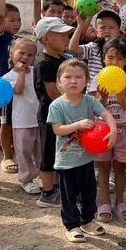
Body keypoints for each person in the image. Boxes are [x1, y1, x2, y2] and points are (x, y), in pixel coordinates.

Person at [47, 59, 117, 243]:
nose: (73, 81)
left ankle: (87, 221)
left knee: (89, 193)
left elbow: (106, 114)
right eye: (68, 77)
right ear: (59, 80)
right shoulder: (56, 105)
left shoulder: (89, 101)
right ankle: (72, 226)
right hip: (66, 162)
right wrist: (77, 125)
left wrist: (113, 130)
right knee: (69, 196)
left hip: (86, 159)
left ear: (86, 81)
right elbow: (57, 130)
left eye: (79, 77)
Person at [88, 37, 126, 223]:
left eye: (120, 58)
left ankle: (120, 202)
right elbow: (95, 107)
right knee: (103, 167)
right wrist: (102, 98)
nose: (115, 62)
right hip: (102, 129)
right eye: (110, 58)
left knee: (120, 167)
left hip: (123, 127)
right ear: (103, 58)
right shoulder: (97, 79)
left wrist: (122, 96)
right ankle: (104, 202)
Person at [34, 17, 74, 207]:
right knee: (48, 153)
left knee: (60, 151)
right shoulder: (44, 63)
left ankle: (56, 186)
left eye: (66, 34)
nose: (66, 38)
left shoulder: (62, 59)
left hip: (64, 115)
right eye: (61, 35)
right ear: (46, 39)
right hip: (50, 117)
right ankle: (47, 193)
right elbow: (53, 93)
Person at [3, 38, 42, 195]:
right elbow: (18, 91)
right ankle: (26, 179)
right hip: (22, 121)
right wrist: (21, 73)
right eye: (21, 53)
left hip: (39, 118)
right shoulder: (8, 77)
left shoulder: (36, 71)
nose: (25, 57)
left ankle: (45, 175)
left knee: (41, 150)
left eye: (30, 55)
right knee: (24, 151)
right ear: (11, 54)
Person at [0, 0, 20, 174]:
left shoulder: (19, 39)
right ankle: (7, 156)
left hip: (21, 85)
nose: (16, 23)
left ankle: (18, 150)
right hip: (5, 87)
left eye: (18, 20)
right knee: (6, 121)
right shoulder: (1, 38)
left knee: (19, 121)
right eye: (12, 20)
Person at [69, 9, 123, 81]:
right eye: (102, 27)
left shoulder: (124, 48)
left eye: (111, 27)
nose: (107, 31)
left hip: (117, 86)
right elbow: (73, 48)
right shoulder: (93, 47)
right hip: (94, 87)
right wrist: (80, 26)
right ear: (96, 32)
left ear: (118, 32)